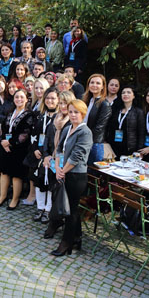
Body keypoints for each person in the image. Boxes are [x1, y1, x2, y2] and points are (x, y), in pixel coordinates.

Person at [50, 99, 92, 256]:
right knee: (71, 209)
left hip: (76, 176)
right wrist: (57, 167)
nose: (73, 115)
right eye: (71, 112)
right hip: (64, 171)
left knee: (71, 210)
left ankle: (66, 243)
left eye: (76, 112)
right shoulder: (68, 128)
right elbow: (59, 149)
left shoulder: (85, 132)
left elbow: (77, 156)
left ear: (83, 114)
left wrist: (63, 171)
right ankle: (76, 238)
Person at [0, 89, 36, 211]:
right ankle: (2, 196)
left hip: (19, 149)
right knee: (4, 172)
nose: (19, 99)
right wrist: (4, 142)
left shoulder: (29, 115)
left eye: (22, 97)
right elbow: (3, 128)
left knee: (16, 175)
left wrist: (10, 142)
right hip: (5, 147)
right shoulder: (10, 112)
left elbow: (25, 133)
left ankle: (14, 199)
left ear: (26, 99)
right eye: (17, 97)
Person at [29, 87, 60, 224]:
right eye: (47, 98)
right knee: (40, 180)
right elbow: (33, 134)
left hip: (52, 155)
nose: (50, 101)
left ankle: (48, 209)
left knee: (50, 182)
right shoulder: (40, 115)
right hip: (39, 153)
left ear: (58, 100)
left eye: (53, 98)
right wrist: (35, 149)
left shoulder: (59, 117)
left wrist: (51, 155)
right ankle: (40, 207)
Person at [106, 85, 145, 158]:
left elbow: (141, 133)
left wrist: (139, 151)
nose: (125, 94)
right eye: (123, 93)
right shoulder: (116, 110)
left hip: (130, 148)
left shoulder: (138, 112)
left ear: (133, 96)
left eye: (128, 92)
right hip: (114, 147)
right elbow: (110, 128)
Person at [83, 74, 112, 165]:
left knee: (92, 171)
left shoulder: (105, 104)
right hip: (83, 141)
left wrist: (84, 137)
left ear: (103, 86)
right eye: (92, 82)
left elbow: (99, 127)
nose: (94, 85)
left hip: (94, 144)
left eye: (98, 83)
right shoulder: (87, 101)